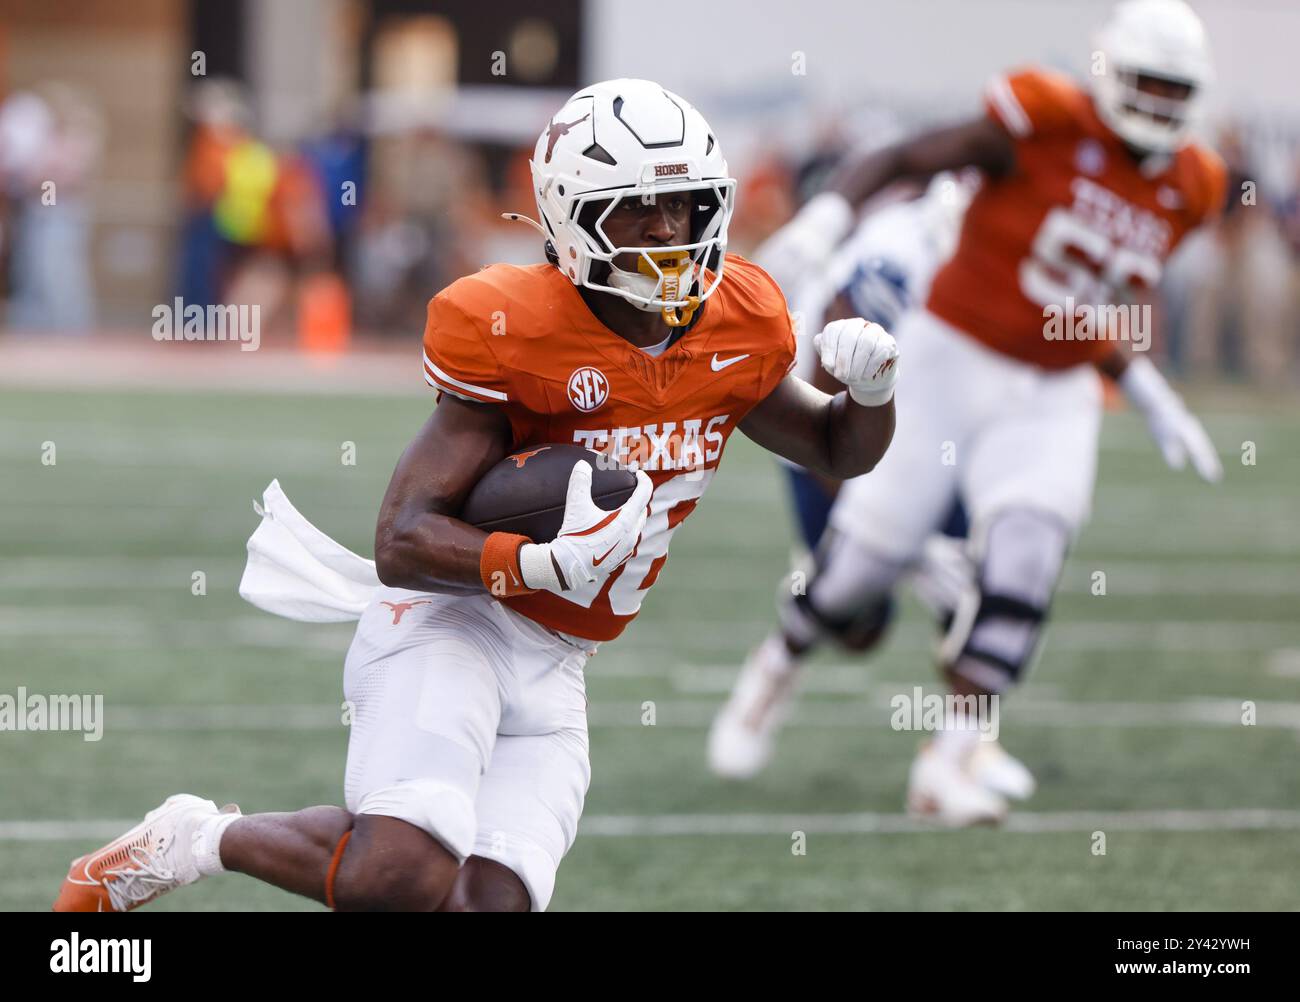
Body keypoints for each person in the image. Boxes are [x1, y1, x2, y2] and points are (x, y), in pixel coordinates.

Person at [54, 78, 899, 912]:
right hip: (455, 617)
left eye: (680, 206)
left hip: (563, 657)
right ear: (572, 221)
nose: (666, 232)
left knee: (487, 905)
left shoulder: (739, 322)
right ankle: (192, 838)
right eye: (636, 210)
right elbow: (402, 537)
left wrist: (872, 393)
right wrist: (536, 561)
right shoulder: (514, 326)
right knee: (398, 876)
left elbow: (833, 449)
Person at [709, 0, 1227, 826]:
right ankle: (777, 663)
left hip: (1052, 388)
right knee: (858, 575)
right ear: (1109, 74)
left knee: (1028, 554)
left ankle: (950, 761)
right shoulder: (1042, 121)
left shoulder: (1193, 184)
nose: (1160, 105)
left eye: (1176, 90)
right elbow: (905, 156)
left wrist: (1142, 387)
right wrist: (827, 217)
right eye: (1147, 84)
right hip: (949, 360)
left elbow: (1075, 299)